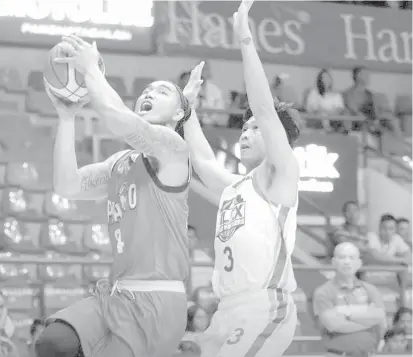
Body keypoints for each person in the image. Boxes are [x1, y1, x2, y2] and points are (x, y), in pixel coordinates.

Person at [35, 35, 193, 357]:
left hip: (157, 304)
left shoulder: (175, 152)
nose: (149, 93)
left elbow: (121, 122)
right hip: (116, 295)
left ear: (178, 115)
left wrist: (91, 69)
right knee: (53, 342)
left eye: (162, 92)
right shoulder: (120, 163)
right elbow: (67, 185)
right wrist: (67, 118)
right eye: (146, 91)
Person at [182, 1, 300, 355]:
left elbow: (264, 108)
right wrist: (187, 109)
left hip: (265, 306)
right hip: (226, 309)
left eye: (254, 129)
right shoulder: (238, 186)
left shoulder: (282, 173)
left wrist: (245, 38)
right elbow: (201, 159)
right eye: (242, 129)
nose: (244, 134)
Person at [313, 242, 386, 357]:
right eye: (342, 257)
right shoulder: (323, 292)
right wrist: (366, 316)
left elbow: (380, 319)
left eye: (351, 258)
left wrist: (345, 313)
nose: (347, 262)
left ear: (359, 263)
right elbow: (333, 324)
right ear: (333, 262)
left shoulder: (371, 290)